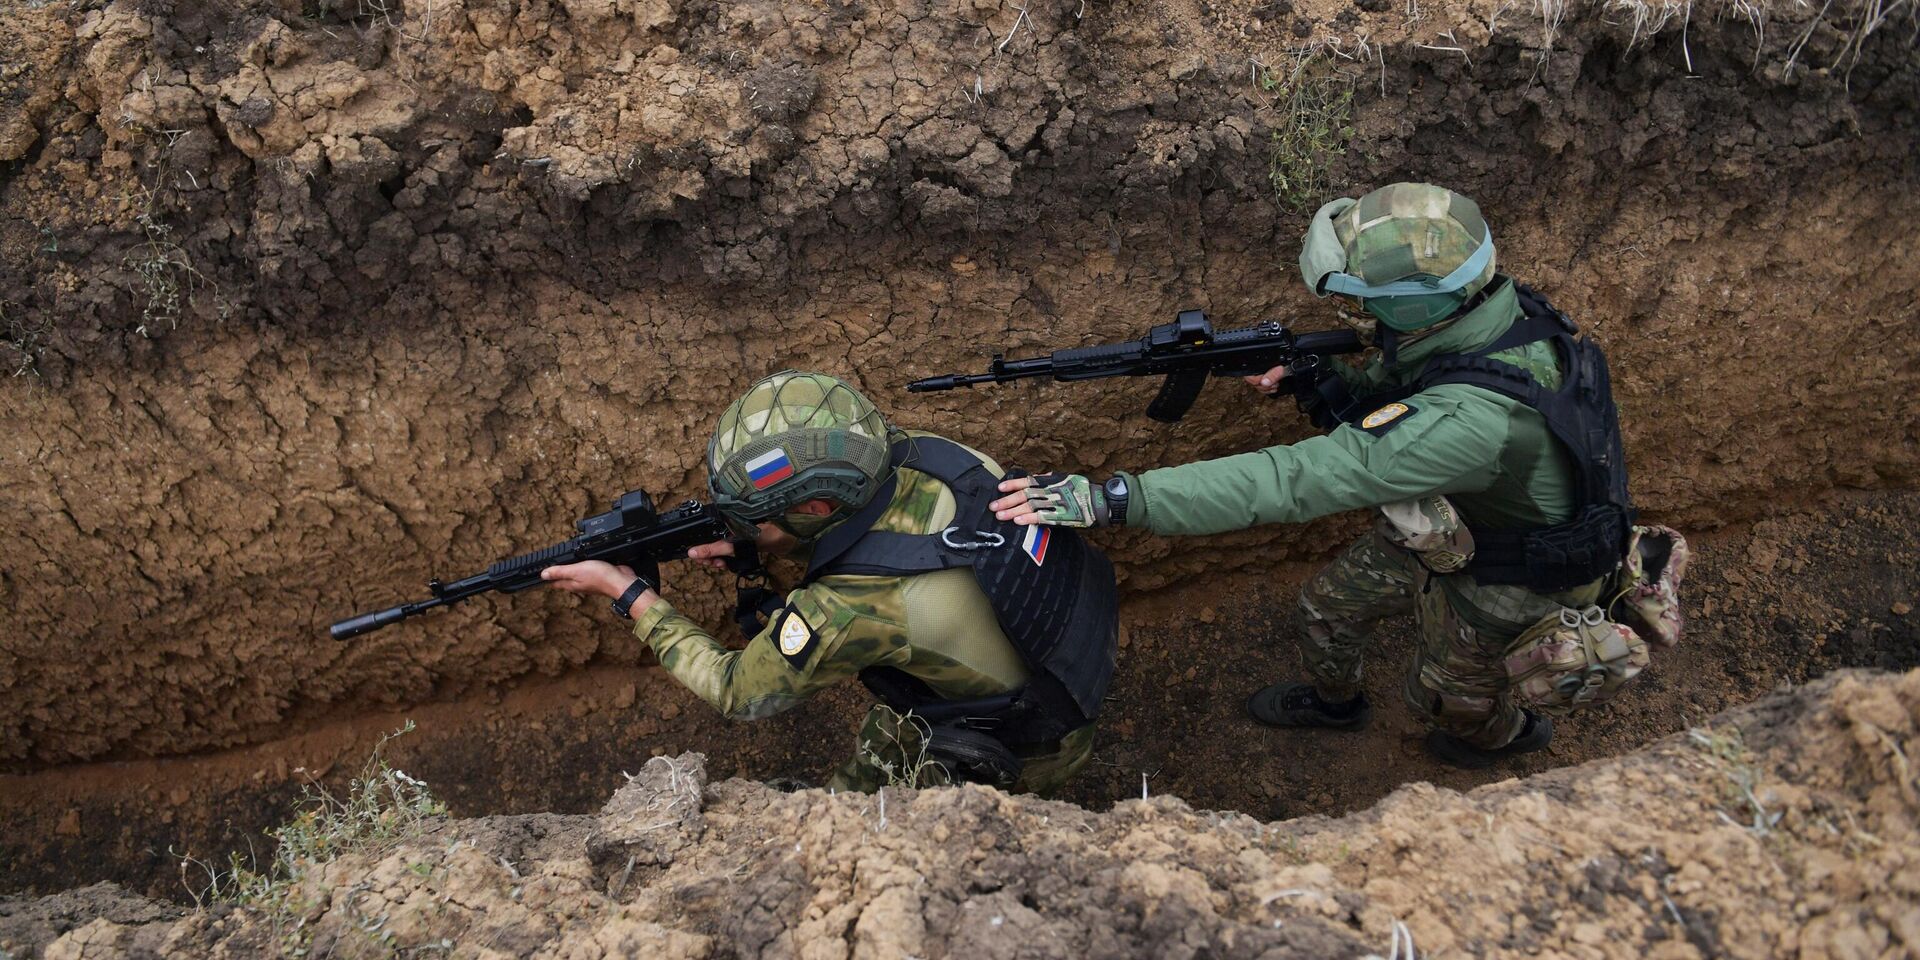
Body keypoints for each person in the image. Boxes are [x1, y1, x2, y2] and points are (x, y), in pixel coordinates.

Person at [991, 182, 1684, 770]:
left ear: (1414, 305)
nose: (1354, 310)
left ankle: (1500, 738)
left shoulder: (1468, 423)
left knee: (1448, 702)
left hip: (1511, 587)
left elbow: (1292, 480)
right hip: (1461, 526)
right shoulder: (1502, 308)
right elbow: (1419, 374)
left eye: (1364, 297)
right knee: (1327, 607)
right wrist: (1327, 381)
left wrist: (1116, 498)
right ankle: (1337, 704)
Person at [541, 371, 1119, 794]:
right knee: (891, 723)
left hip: (1028, 741)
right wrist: (762, 538)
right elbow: (888, 542)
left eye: (755, 519)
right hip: (1065, 650)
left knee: (873, 820)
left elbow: (737, 691)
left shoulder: (846, 610)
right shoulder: (933, 455)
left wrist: (630, 596)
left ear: (817, 505)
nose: (747, 530)